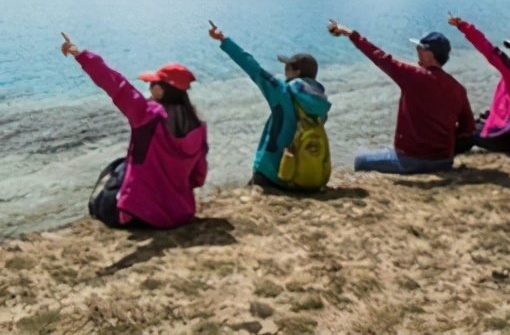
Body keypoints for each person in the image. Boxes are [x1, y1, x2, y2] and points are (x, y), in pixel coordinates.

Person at [61, 33, 208, 228]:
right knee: (124, 166)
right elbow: (199, 176)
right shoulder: (197, 126)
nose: (149, 87)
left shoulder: (146, 114)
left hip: (140, 214)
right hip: (180, 212)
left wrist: (79, 54)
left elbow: (115, 84)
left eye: (152, 84)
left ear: (160, 90)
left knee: (111, 183)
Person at [327, 18, 474, 174]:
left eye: (420, 47)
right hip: (444, 161)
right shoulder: (458, 89)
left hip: (412, 161)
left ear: (430, 55)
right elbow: (468, 127)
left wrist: (351, 34)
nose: (416, 49)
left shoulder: (413, 76)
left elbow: (380, 57)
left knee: (360, 159)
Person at [208, 20, 331, 189]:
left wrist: (225, 41)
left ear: (297, 72)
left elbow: (253, 67)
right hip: (304, 175)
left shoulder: (282, 92)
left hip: (273, 174)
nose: (284, 70)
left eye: (287, 66)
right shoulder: (320, 102)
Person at [447, 14, 510, 154]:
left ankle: (439, 156)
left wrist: (465, 27)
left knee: (468, 131)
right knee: (477, 123)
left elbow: (489, 50)